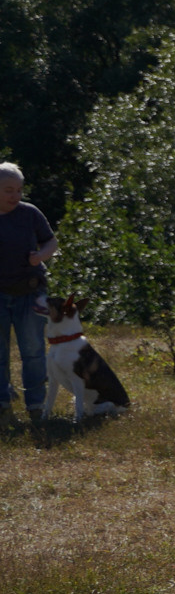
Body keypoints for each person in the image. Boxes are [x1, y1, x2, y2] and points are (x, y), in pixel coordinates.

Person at [0, 165, 59, 425]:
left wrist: (41, 256)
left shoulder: (30, 213)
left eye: (19, 190)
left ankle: (37, 406)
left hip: (30, 291)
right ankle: (2, 403)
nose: (15, 195)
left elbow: (51, 241)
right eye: (8, 190)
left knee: (33, 350)